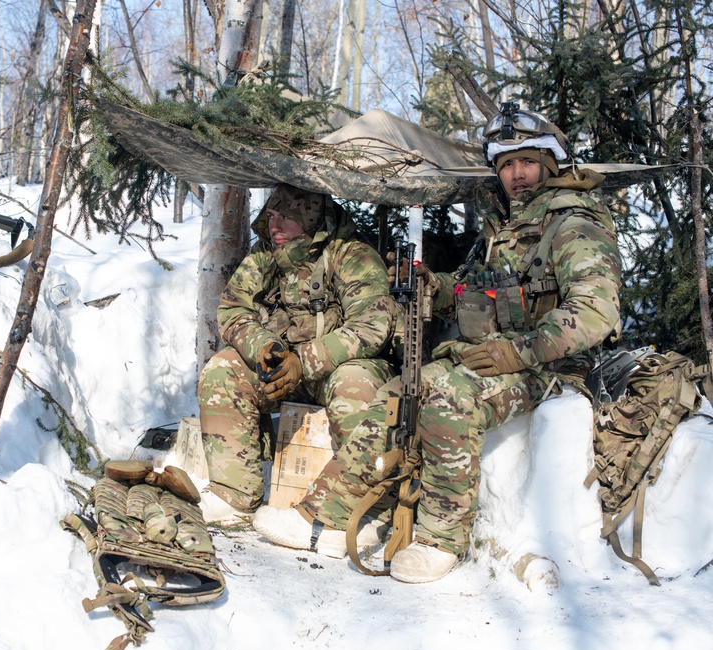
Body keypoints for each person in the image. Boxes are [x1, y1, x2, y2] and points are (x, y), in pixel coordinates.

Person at [253, 104, 623, 583]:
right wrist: (433, 285)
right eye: (507, 165)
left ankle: (441, 538)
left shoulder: (573, 224)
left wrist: (520, 351)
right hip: (493, 355)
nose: (517, 175)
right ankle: (325, 513)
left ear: (549, 164)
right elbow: (473, 290)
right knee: (403, 391)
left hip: (552, 366)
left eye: (527, 162)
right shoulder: (503, 230)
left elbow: (596, 313)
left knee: (449, 397)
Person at [197, 184, 400, 556]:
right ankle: (234, 494)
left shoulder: (353, 256)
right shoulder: (264, 256)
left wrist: (303, 362)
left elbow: (371, 326)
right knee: (223, 369)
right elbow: (231, 310)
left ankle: (367, 511)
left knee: (357, 386)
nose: (275, 225)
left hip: (340, 368)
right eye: (271, 215)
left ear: (311, 217)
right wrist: (266, 349)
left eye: (286, 216)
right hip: (284, 370)